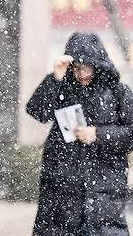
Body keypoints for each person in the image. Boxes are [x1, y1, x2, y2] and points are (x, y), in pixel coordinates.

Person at [27, 32, 133, 235]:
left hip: (104, 192)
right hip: (61, 190)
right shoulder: (62, 87)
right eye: (76, 68)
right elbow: (38, 112)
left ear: (98, 65)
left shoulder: (118, 92)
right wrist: (55, 77)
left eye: (86, 68)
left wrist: (99, 134)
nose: (81, 74)